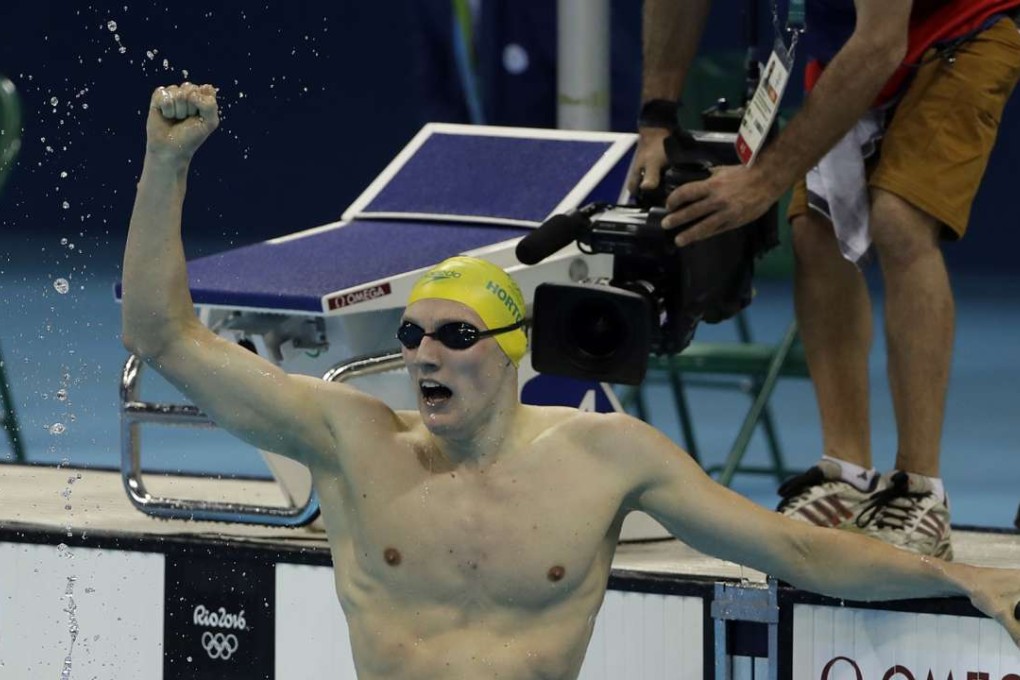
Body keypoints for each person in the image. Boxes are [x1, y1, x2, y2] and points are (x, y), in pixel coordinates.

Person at [123, 82, 1020, 678]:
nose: (424, 355)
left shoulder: (604, 459)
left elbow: (792, 550)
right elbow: (165, 334)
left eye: (454, 334)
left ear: (512, 347)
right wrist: (167, 166)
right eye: (412, 336)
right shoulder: (350, 438)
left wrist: (967, 581)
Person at [629, 0, 1020, 559]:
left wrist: (763, 179)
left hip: (960, 31)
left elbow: (882, 44)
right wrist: (656, 118)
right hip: (845, 47)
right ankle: (846, 475)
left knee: (898, 218)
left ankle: (921, 491)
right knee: (816, 230)